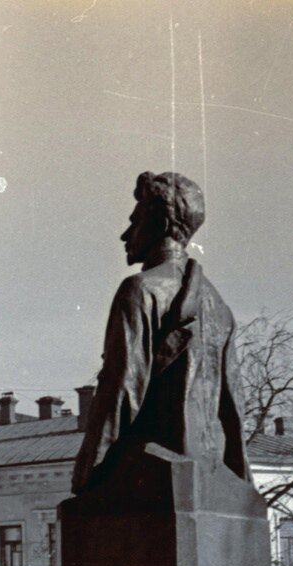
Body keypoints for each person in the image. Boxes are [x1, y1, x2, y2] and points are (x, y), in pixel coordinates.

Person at [72, 171, 247, 497]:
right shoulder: (218, 305)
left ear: (161, 224)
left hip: (151, 472)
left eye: (134, 221)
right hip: (207, 468)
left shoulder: (140, 289)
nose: (126, 235)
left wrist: (88, 471)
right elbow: (232, 409)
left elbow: (121, 389)